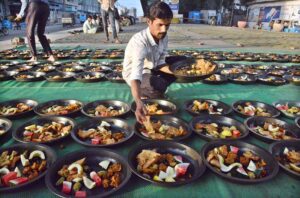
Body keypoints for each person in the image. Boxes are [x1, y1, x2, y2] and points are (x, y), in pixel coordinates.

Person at [122, 1, 174, 123]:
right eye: (160, 25)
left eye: (167, 25)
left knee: (181, 63)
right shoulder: (139, 42)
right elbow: (136, 75)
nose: (164, 29)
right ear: (149, 21)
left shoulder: (164, 36)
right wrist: (138, 102)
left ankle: (158, 85)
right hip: (136, 74)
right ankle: (147, 91)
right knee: (156, 86)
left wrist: (179, 72)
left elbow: (161, 62)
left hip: (153, 68)